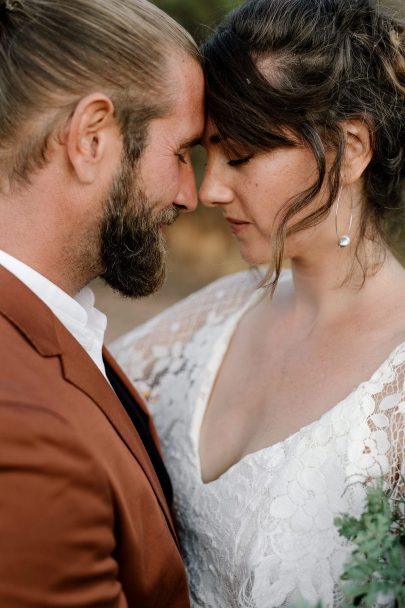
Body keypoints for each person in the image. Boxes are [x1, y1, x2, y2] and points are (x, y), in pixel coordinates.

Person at [111, 0, 405, 606]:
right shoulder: (216, 312)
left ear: (351, 149)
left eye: (240, 156)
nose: (211, 189)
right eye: (206, 154)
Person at [0, 0, 204, 606]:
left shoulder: (43, 329)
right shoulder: (26, 432)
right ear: (92, 138)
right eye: (181, 152)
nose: (192, 194)